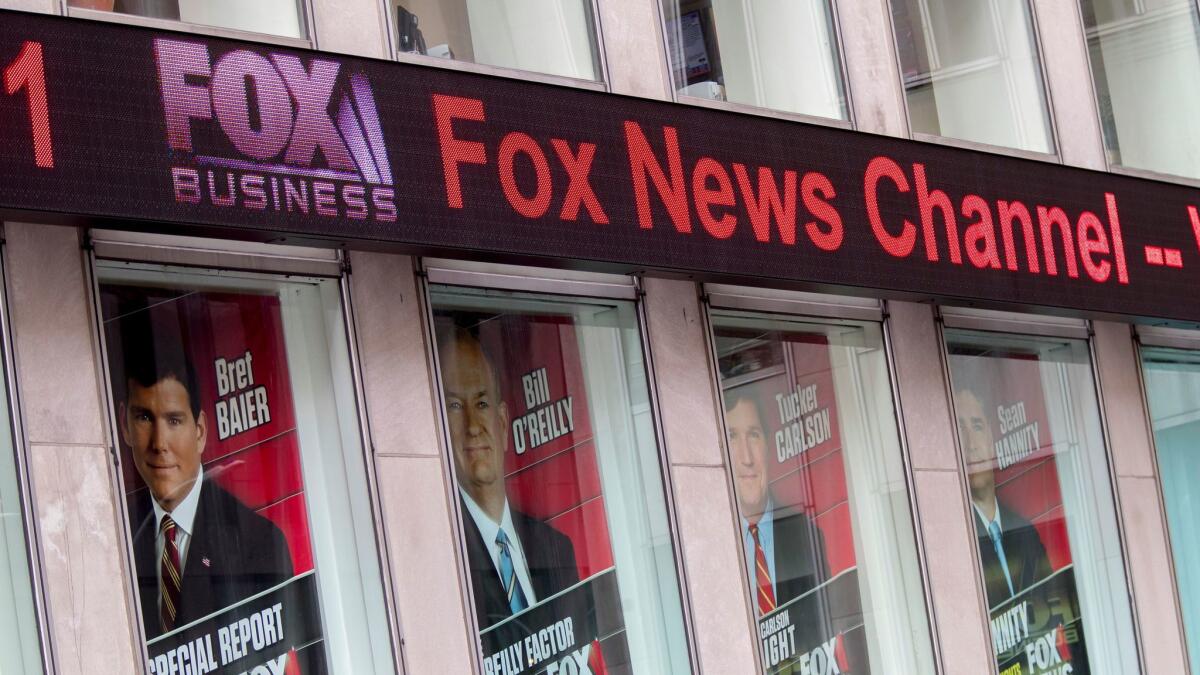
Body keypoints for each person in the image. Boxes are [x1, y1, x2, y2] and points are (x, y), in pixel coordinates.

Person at [119, 325, 293, 639]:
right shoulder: (118, 538)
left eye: (174, 420)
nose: (159, 443)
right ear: (125, 426)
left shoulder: (258, 541)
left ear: (200, 431)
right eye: (144, 417)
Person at [437, 327, 582, 630]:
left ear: (502, 423)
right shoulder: (444, 565)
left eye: (481, 404)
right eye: (453, 406)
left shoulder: (556, 548)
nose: (472, 426)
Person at [724, 389, 829, 616]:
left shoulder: (807, 537)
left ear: (768, 446)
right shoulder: (709, 547)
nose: (747, 458)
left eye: (753, 435)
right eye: (731, 436)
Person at [955, 387, 1053, 609]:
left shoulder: (1024, 531)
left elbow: (1054, 606)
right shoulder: (957, 543)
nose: (970, 443)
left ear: (990, 439)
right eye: (960, 429)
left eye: (977, 427)